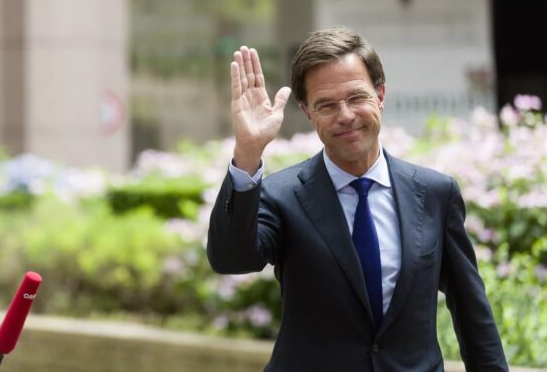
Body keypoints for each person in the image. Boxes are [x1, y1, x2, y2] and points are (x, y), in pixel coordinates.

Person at [207, 27, 508, 371]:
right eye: (327, 105)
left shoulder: (436, 194)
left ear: (380, 94)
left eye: (356, 97)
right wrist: (248, 152)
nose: (346, 115)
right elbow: (231, 260)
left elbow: (471, 311)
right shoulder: (281, 196)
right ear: (307, 112)